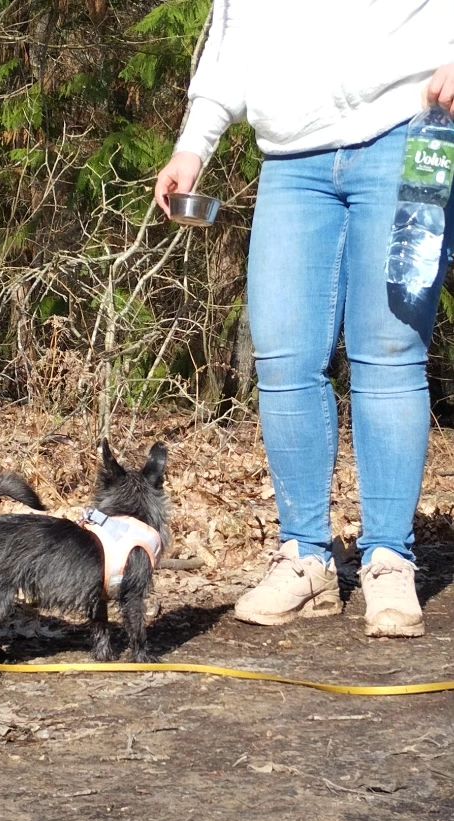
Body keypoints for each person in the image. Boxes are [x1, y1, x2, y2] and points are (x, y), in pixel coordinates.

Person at [154, 1, 454, 637]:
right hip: (291, 160)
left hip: (408, 132)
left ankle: (389, 560)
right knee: (284, 356)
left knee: (389, 351)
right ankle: (306, 559)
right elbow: (231, 42)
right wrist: (191, 145)